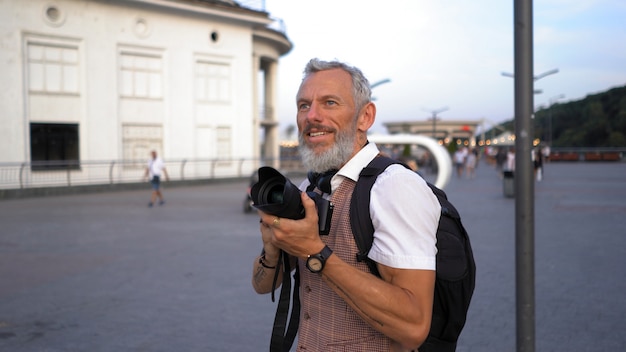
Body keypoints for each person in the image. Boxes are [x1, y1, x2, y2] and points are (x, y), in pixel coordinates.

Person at [251, 58, 440, 351]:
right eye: (304, 105)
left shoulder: (395, 188)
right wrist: (273, 248)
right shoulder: (309, 187)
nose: (312, 115)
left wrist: (314, 251)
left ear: (365, 117)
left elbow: (413, 327)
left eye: (329, 103)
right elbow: (262, 285)